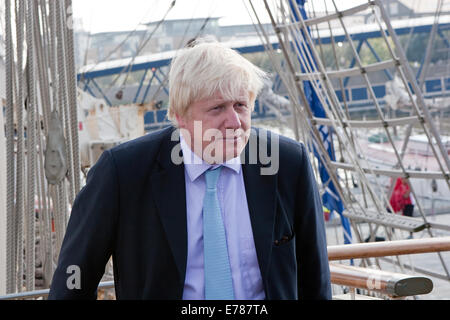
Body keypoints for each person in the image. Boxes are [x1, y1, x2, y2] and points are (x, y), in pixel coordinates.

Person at [48, 39, 331, 300]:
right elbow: (73, 281)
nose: (234, 122)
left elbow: (315, 279)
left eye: (241, 106)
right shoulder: (123, 173)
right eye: (218, 108)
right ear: (181, 116)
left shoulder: (287, 163)